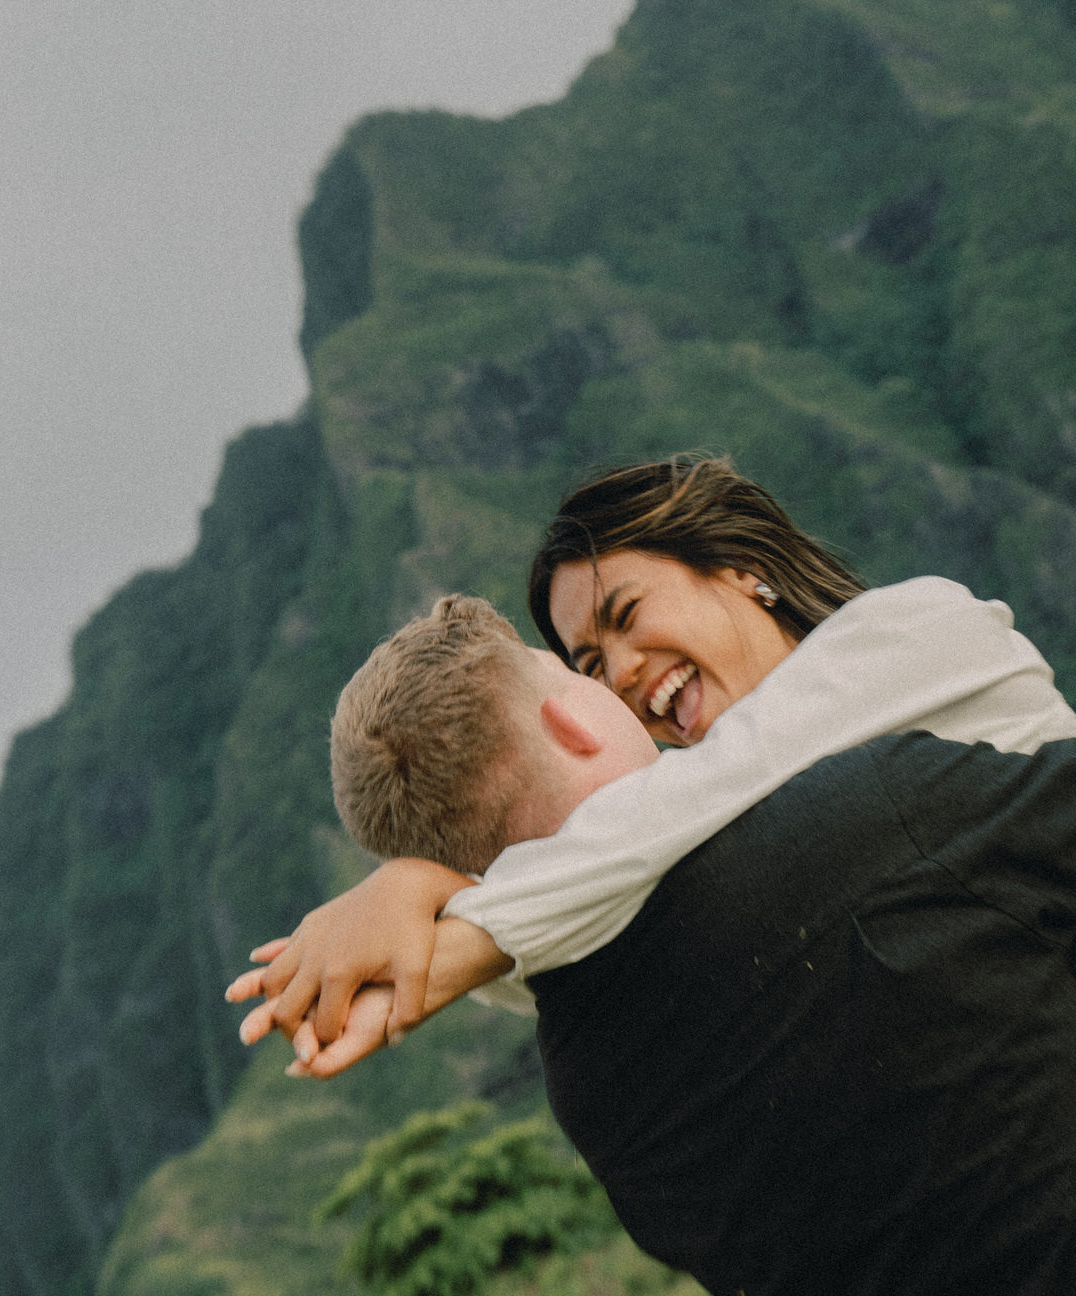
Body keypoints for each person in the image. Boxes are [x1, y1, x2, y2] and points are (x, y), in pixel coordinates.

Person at [232, 594, 1076, 1294]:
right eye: (582, 670)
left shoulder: (590, 1090)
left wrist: (437, 899)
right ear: (572, 721)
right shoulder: (872, 809)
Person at [229, 457, 1076, 1044]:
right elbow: (602, 936)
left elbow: (703, 795)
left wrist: (446, 921)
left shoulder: (920, 629)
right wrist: (424, 891)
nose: (624, 673)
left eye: (626, 615)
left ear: (741, 567)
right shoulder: (676, 842)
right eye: (591, 663)